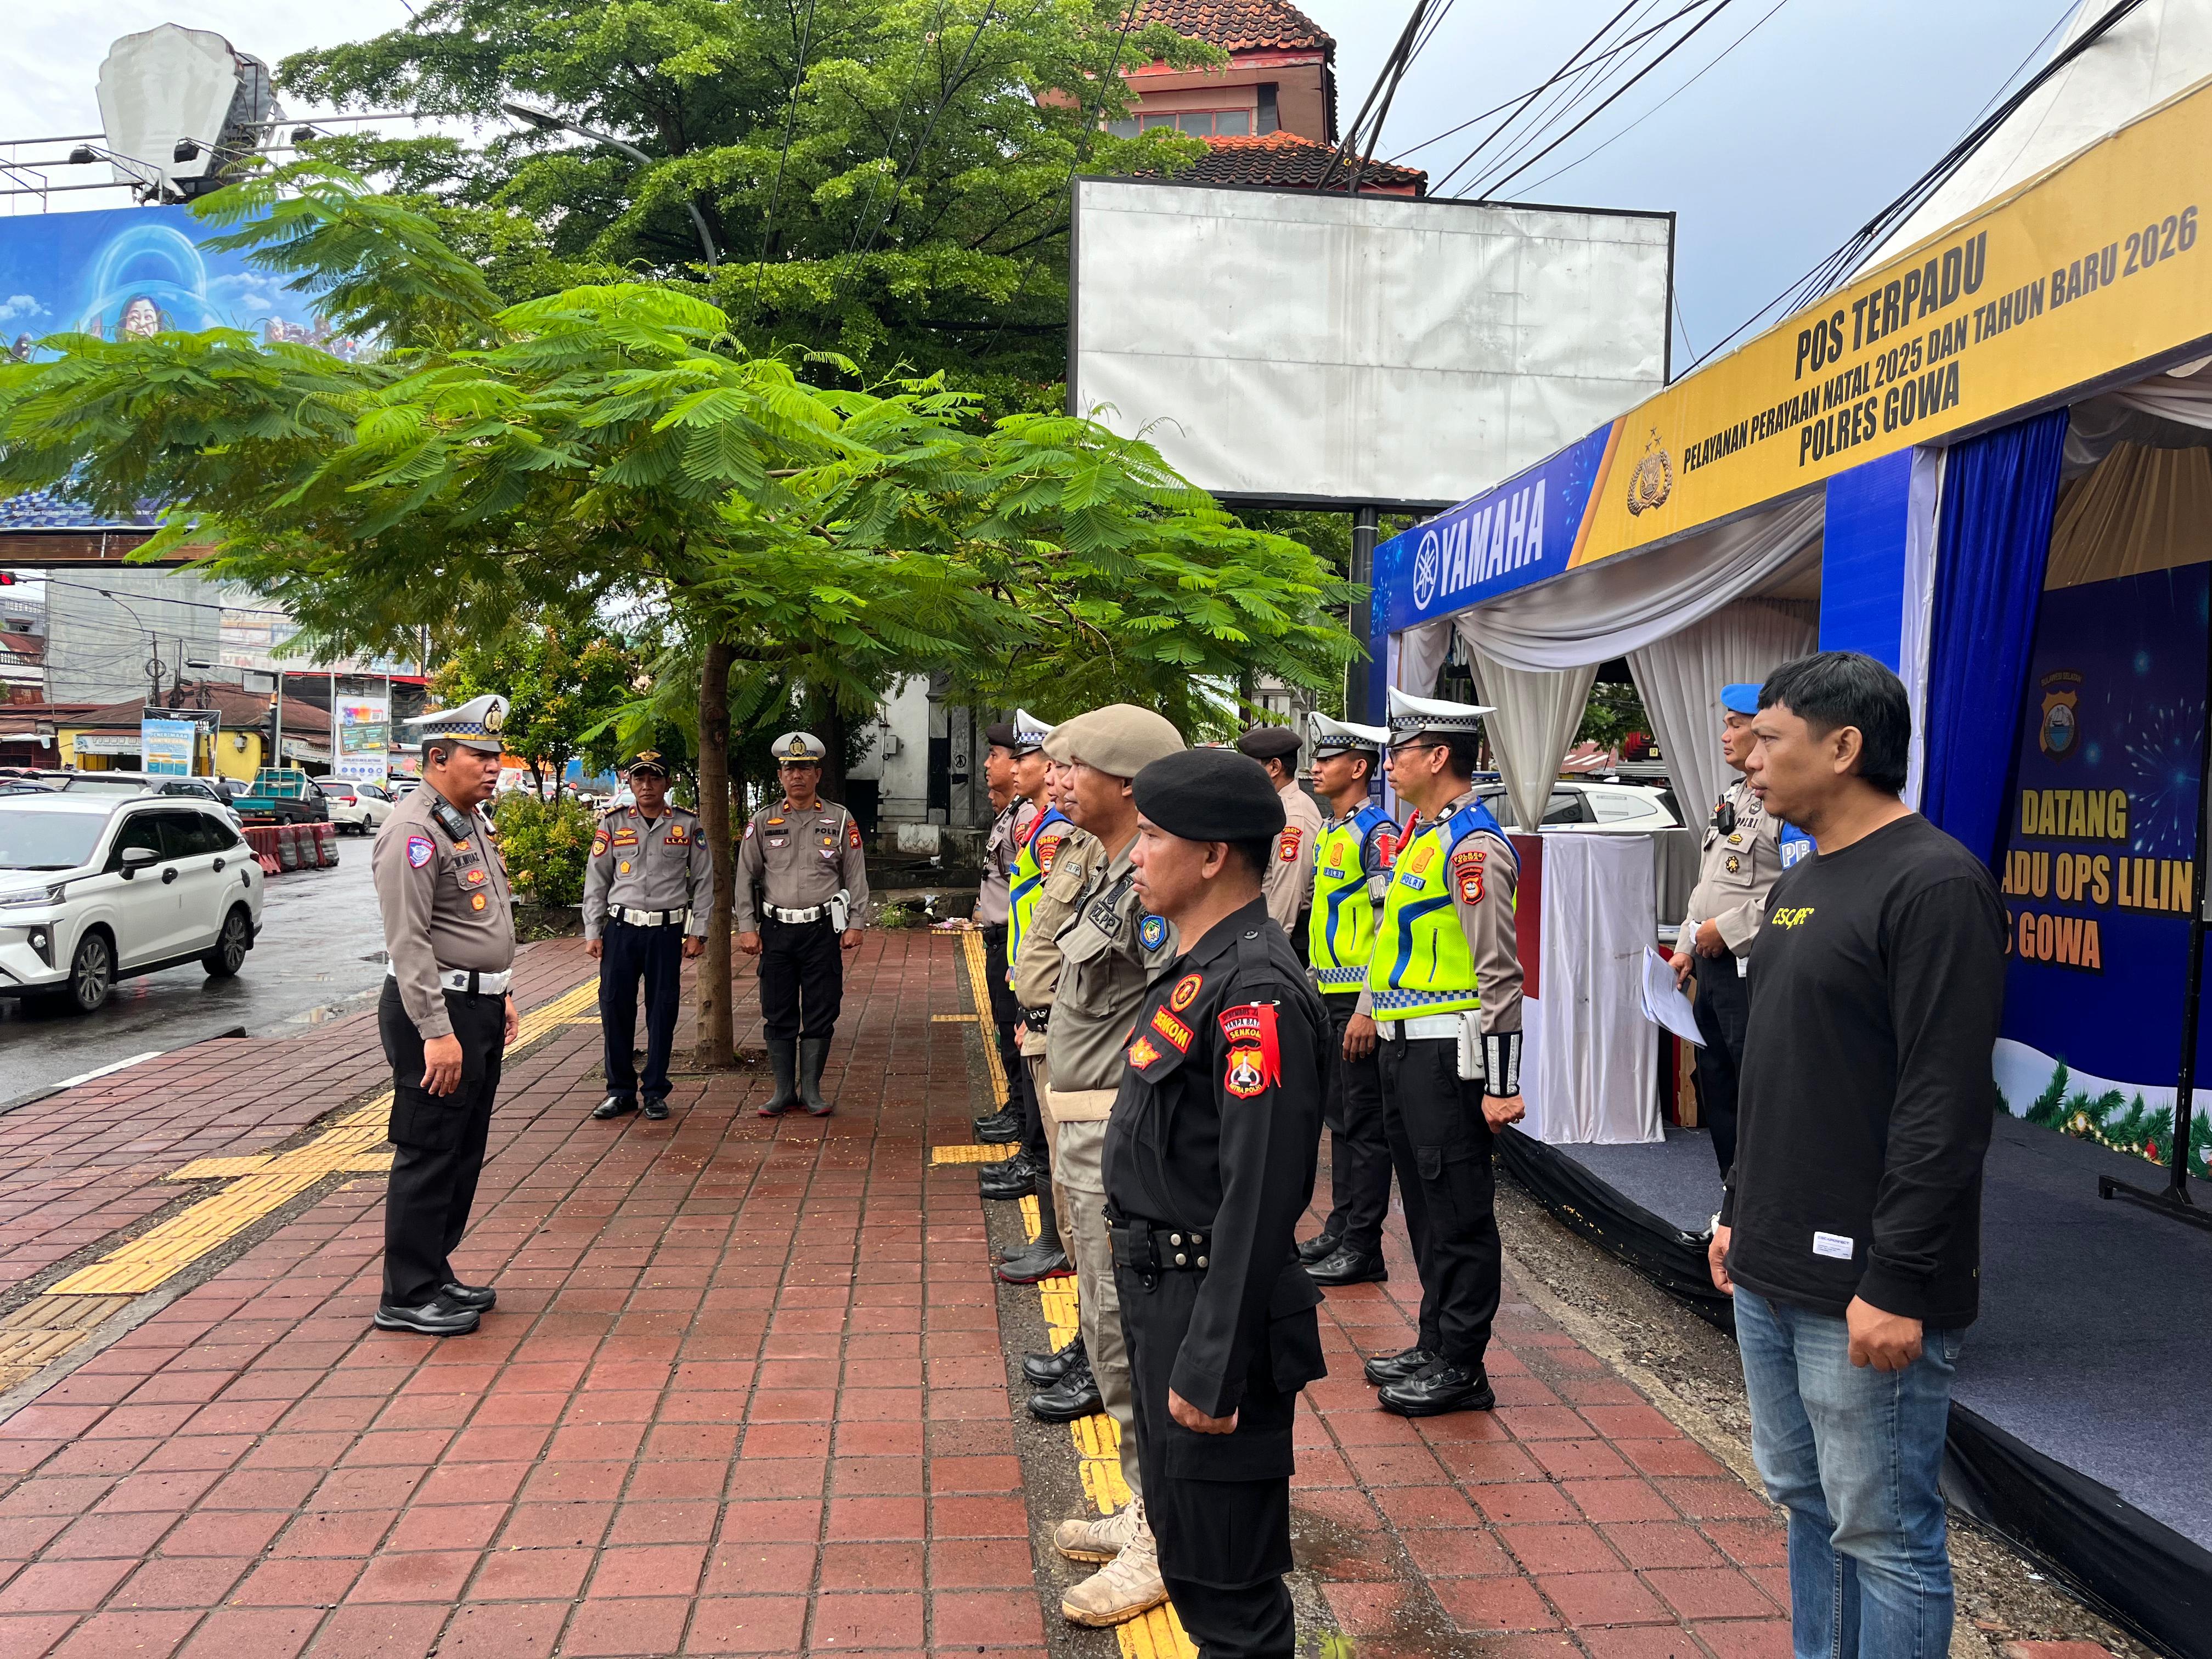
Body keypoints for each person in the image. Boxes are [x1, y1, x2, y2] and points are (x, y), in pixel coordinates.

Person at [1708, 652, 2005, 1659]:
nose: (1747, 758)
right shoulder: (1803, 876)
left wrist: (1898, 1275)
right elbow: (1783, 1070)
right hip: (1770, 1260)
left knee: (1884, 1532)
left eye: (1769, 738)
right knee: (1805, 1501)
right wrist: (1736, 1205)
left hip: (1864, 1284)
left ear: (1843, 747)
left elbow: (1945, 1102)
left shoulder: (1934, 882)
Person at [1105, 747, 1329, 1659]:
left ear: (1211, 856)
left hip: (1211, 1312)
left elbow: (1258, 1198)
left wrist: (1209, 1364)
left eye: (1152, 834)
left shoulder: (1256, 993)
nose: (1134, 853)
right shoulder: (1204, 969)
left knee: (1230, 1595)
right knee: (1193, 1562)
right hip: (1170, 1299)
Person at [1037, 704, 1186, 1628]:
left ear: (1124, 782)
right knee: (1101, 1325)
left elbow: (1171, 1017)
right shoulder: (1104, 866)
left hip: (1114, 1131)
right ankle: (1144, 1499)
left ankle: (1165, 1533)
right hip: (1079, 1125)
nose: (1059, 776)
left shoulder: (1152, 888)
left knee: (1128, 1332)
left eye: (1074, 765)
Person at [1359, 687, 1525, 1416]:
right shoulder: (1426, 836)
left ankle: (1463, 1364)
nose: (1387, 763)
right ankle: (1435, 1341)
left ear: (1436, 757)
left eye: (1398, 752)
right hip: (1405, 1052)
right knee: (1426, 1210)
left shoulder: (1472, 846)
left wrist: (1501, 1083)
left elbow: (1501, 974)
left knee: (1458, 1210)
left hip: (1445, 1058)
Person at [370, 693, 520, 1338]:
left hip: (476, 1002)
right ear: (438, 758)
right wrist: (437, 1032)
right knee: (429, 1148)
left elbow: (476, 920)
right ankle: (406, 1292)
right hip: (437, 1009)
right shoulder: (414, 832)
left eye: (495, 756)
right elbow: (409, 944)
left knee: (461, 1150)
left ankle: (433, 1268)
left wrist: (501, 989)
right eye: (479, 755)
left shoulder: (465, 822)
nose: (493, 767)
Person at [1007, 716, 1107, 1403]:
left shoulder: (1112, 855)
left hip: (1081, 1043)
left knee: (1091, 1210)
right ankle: (1089, 1340)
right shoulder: (1075, 843)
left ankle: (1104, 1359)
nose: (1057, 779)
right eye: (1056, 766)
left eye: (1069, 768)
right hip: (1049, 1032)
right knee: (1074, 1201)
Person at [1296, 713, 1400, 1287]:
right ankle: (1340, 1229)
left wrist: (1366, 1007)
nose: (1317, 767)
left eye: (1328, 759)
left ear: (1358, 768)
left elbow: (1387, 930)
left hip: (1356, 1003)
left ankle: (1364, 1245)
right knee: (1340, 1120)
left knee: (1363, 1125)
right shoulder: (1336, 829)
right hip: (1328, 995)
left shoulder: (1377, 834)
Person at [1668, 685, 1785, 1175]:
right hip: (1712, 967)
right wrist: (1686, 947)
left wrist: (1728, 930)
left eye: (1736, 724)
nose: (1725, 734)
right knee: (1715, 1083)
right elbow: (1708, 884)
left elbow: (1797, 889)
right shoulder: (1733, 796)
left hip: (1751, 970)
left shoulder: (1782, 801)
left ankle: (1758, 1202)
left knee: (1753, 1087)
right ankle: (1730, 1196)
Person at [736, 732, 870, 1116]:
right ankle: (782, 1091)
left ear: (817, 774)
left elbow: (855, 874)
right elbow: (745, 875)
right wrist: (747, 924)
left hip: (822, 929)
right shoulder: (763, 821)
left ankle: (811, 1090)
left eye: (805, 769)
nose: (797, 776)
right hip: (776, 930)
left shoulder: (840, 818)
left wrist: (856, 921)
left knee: (821, 1008)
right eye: (790, 769)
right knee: (777, 1009)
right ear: (781, 776)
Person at [990, 710, 1077, 1282]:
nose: (1035, 774)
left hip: (1055, 1003)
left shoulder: (1059, 836)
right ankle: (1051, 1237)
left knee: (1057, 1132)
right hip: (1036, 991)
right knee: (1043, 1123)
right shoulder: (1044, 830)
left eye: (1036, 761)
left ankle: (1057, 1243)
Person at [583, 752, 713, 1122]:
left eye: (654, 778)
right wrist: (593, 930)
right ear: (629, 783)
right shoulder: (613, 824)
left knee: (662, 1010)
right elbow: (597, 880)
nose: (646, 785)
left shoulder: (687, 826)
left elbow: (704, 882)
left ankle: (655, 1090)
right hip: (621, 930)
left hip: (666, 932)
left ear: (667, 783)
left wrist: (697, 931)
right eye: (639, 778)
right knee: (614, 1008)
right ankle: (620, 1091)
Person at [972, 723, 1029, 1147]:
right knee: (1004, 1028)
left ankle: (1024, 1115)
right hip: (998, 937)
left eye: (996, 754)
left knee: (1014, 1029)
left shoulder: (1027, 819)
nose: (988, 763)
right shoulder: (1011, 814)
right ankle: (1017, 1104)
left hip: (1014, 941)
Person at [1235, 723, 1323, 956]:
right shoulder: (1275, 807)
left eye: (1251, 767)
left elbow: (1288, 891)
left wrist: (1265, 950)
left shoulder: (1293, 815)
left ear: (1274, 767)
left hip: (1287, 942)